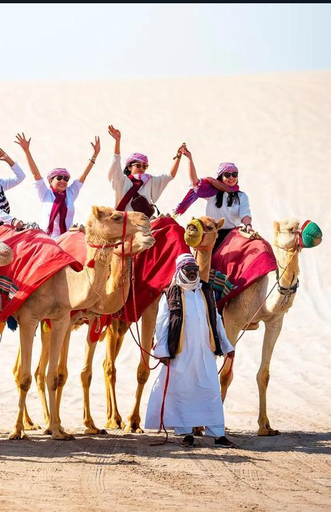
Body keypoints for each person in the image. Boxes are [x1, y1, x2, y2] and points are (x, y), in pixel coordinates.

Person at [145, 253, 236, 448]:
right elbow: (161, 325)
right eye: (189, 270)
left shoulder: (206, 291)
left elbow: (216, 319)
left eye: (195, 270)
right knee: (184, 392)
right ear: (180, 271)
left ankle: (218, 434)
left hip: (205, 352)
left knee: (211, 390)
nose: (193, 273)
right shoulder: (170, 293)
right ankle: (186, 433)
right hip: (181, 354)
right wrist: (163, 352)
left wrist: (227, 345)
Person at [15, 132, 100, 237]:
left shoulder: (71, 193)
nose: (63, 181)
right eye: (59, 178)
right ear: (51, 180)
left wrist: (95, 155)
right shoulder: (45, 193)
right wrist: (27, 151)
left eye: (66, 179)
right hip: (47, 238)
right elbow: (35, 173)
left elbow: (84, 175)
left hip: (66, 239)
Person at [107, 125, 184, 218]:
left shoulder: (149, 181)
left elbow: (169, 176)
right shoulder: (122, 181)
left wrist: (178, 156)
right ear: (129, 167)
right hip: (123, 222)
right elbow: (116, 163)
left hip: (142, 225)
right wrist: (117, 141)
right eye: (138, 165)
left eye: (144, 166)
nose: (141, 168)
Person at [184, 153, 253, 250]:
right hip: (212, 234)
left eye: (234, 174)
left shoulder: (241, 196)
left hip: (233, 235)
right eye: (227, 175)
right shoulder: (211, 193)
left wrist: (248, 226)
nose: (231, 178)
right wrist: (190, 159)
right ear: (221, 176)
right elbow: (195, 183)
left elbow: (245, 213)